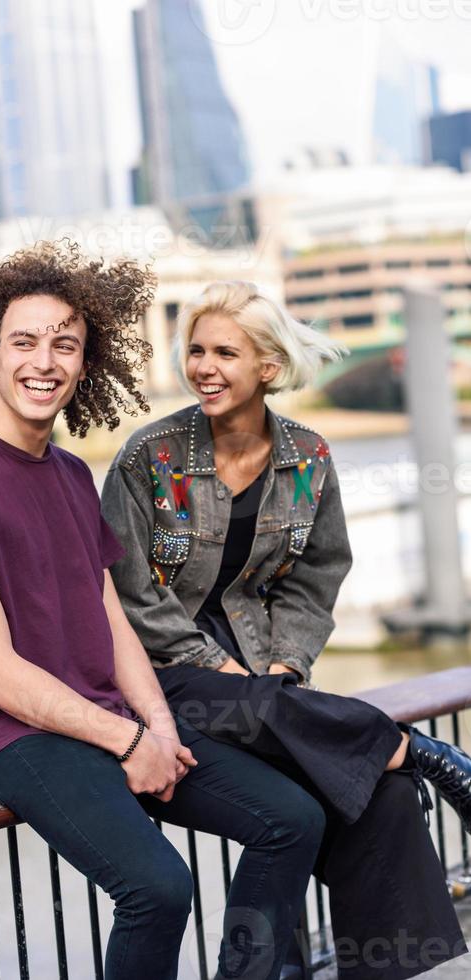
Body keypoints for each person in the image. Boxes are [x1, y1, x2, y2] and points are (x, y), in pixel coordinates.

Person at [0, 243, 335, 980]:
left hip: (101, 713)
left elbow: (110, 621)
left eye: (65, 344)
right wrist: (131, 744)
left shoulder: (70, 473)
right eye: (25, 343)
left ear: (84, 362)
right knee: (159, 888)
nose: (46, 361)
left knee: (291, 821)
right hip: (4, 733)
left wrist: (158, 727)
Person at [101, 279, 470, 979]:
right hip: (163, 681)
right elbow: (128, 591)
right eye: (196, 351)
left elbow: (315, 575)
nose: (204, 366)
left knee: (386, 801)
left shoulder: (304, 460)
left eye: (225, 353)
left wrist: (285, 667)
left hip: (269, 689)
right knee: (329, 755)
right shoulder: (157, 458)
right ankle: (408, 747)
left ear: (267, 367)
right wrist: (216, 665)